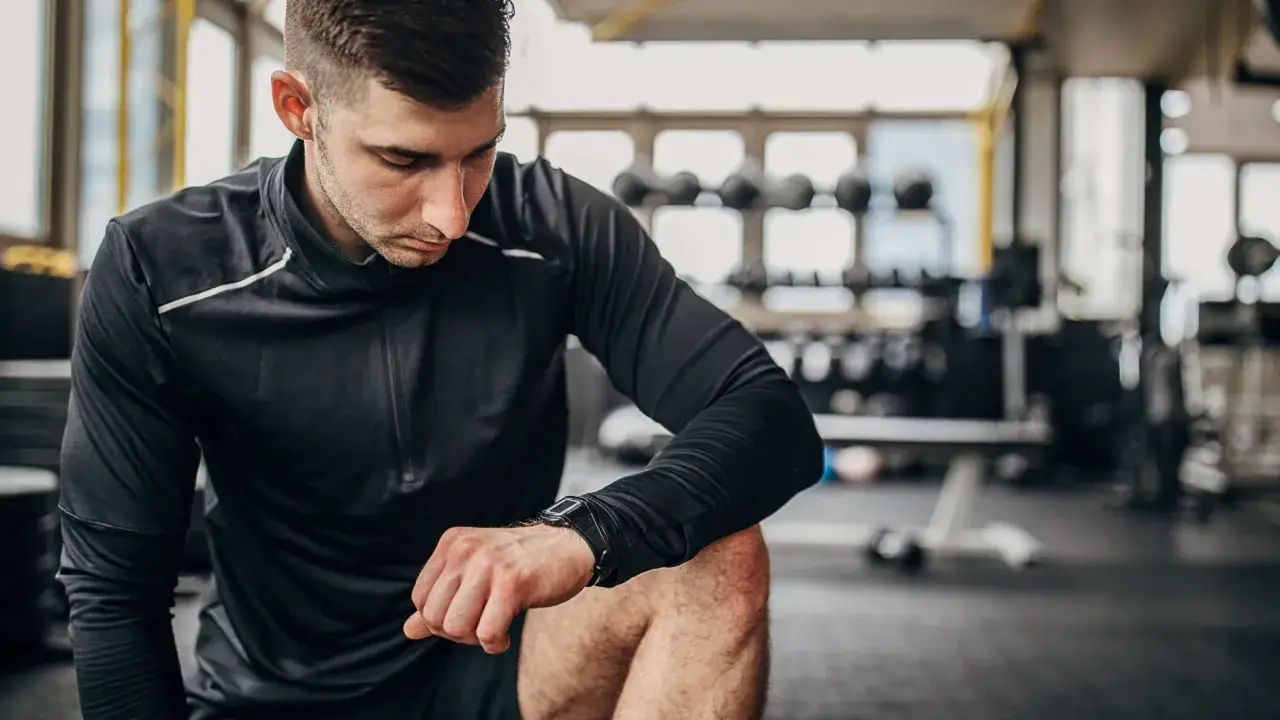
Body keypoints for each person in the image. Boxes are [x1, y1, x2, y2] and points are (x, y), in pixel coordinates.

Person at [57, 1, 824, 718]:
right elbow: (115, 594)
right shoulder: (162, 267)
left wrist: (583, 531)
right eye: (403, 158)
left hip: (501, 668)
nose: (452, 214)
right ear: (299, 108)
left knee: (716, 558)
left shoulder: (552, 223)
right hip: (277, 695)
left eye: (479, 152)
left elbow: (768, 415)